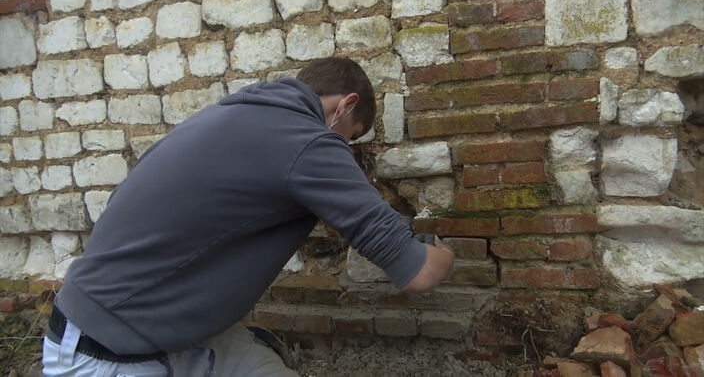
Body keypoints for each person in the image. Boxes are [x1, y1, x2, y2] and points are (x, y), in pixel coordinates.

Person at [42, 57, 455, 376]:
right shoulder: (307, 138)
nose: (342, 148)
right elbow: (418, 274)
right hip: (109, 354)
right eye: (349, 136)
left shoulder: (231, 113)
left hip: (142, 327)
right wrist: (441, 252)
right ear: (345, 106)